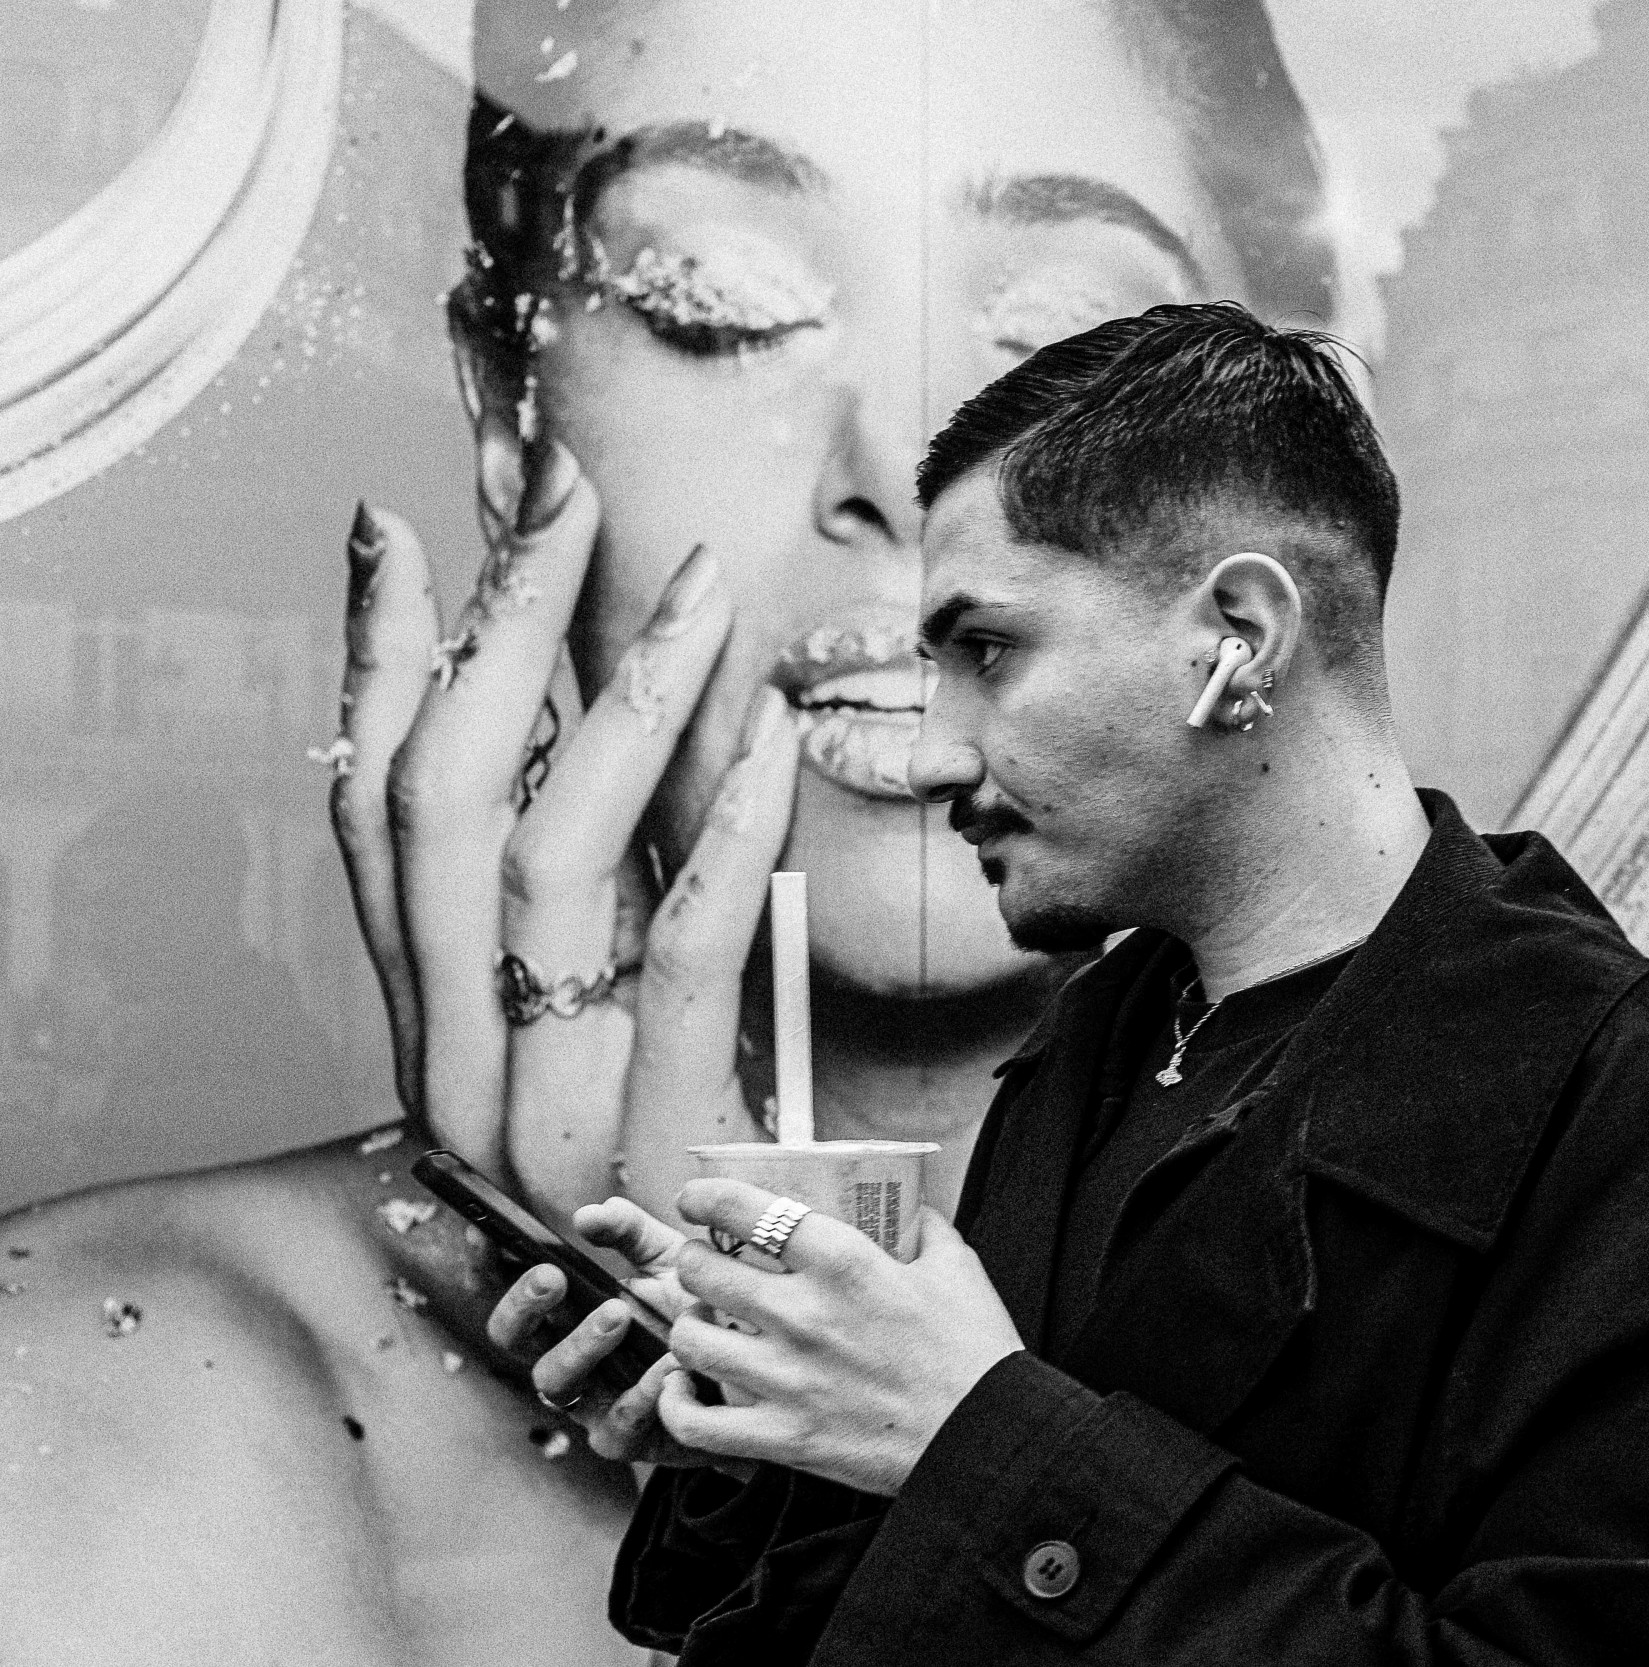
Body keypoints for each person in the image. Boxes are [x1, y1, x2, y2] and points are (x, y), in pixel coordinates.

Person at [0, 4, 1333, 1661]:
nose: (907, 468)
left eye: (1072, 334)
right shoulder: (104, 1409)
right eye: (722, 296)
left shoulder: (1546, 1311)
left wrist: (842, 1459)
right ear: (513, 417)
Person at [494, 302, 1649, 1666]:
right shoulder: (1097, 1045)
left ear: (1239, 639)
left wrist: (984, 1442)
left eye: (989, 649)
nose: (936, 747)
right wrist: (776, 1429)